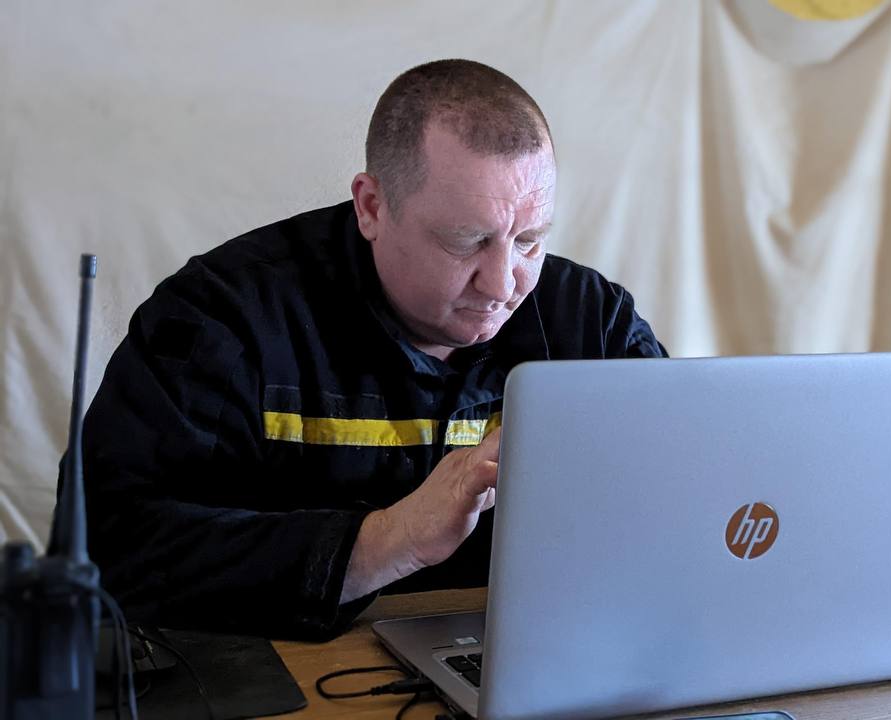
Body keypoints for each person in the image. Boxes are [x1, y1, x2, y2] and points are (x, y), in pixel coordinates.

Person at [78, 59, 666, 639]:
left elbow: (682, 508)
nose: (502, 284)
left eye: (530, 241)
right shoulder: (222, 320)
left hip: (529, 658)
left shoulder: (593, 323)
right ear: (372, 207)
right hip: (278, 672)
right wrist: (391, 539)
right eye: (466, 241)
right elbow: (108, 550)